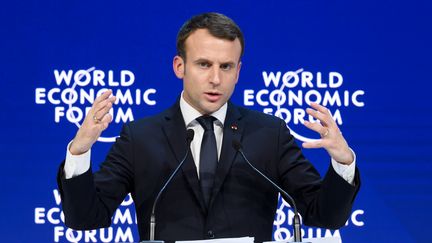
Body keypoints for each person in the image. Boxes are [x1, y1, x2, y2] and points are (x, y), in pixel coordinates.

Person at [57, 12, 360, 242]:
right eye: (204, 64)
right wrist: (79, 152)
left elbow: (325, 215)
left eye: (226, 66)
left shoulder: (269, 134)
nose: (216, 79)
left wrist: (343, 161)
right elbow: (86, 218)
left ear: (238, 71)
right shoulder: (140, 137)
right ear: (180, 67)